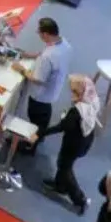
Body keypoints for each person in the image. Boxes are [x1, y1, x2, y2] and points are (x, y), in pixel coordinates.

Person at [36, 74, 100, 213]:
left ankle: (80, 199)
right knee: (63, 163)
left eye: (75, 92)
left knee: (65, 167)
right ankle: (59, 185)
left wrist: (40, 133)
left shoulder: (77, 111)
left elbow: (62, 126)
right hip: (85, 139)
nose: (72, 94)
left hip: (74, 143)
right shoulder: (92, 100)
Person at [13, 17, 72, 154]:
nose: (38, 34)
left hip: (40, 96)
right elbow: (46, 54)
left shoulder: (48, 57)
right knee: (43, 119)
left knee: (35, 119)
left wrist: (21, 70)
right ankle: (39, 137)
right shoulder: (64, 44)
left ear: (45, 34)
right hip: (53, 91)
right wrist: (32, 55)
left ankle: (30, 147)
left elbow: (38, 79)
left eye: (39, 32)